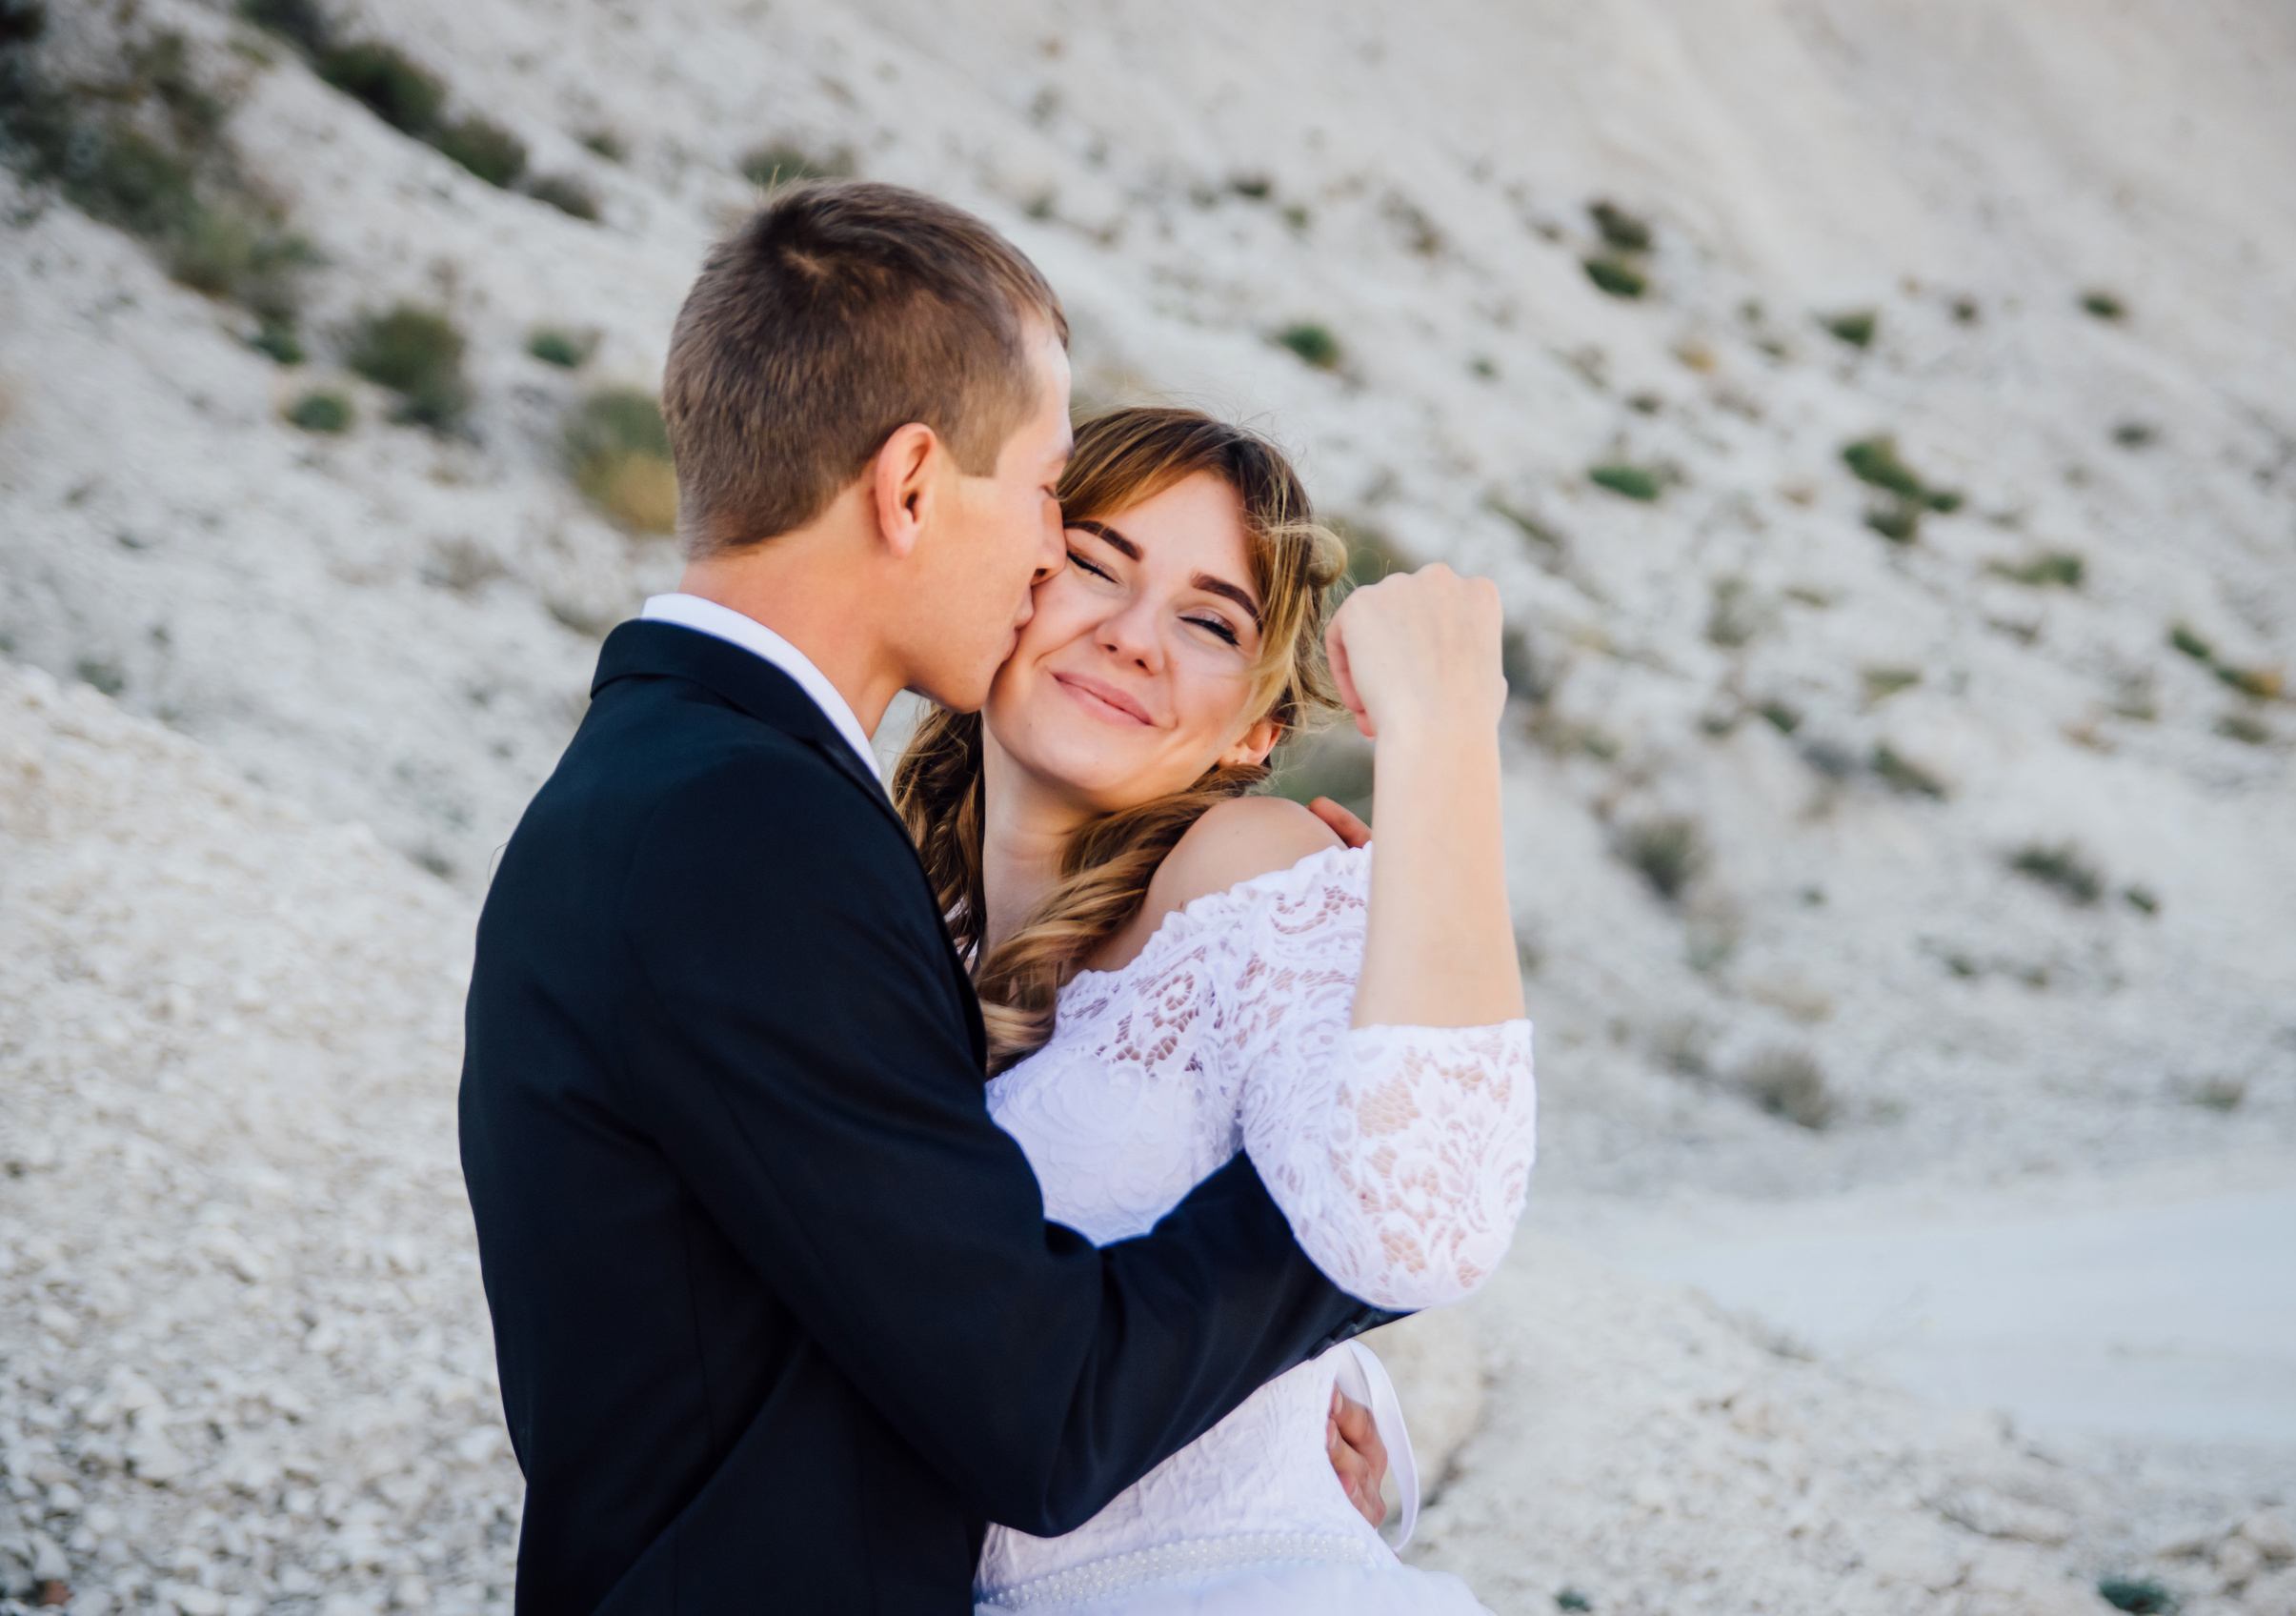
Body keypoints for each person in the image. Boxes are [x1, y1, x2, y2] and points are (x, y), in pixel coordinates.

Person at [457, 183, 1403, 1616]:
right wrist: (1365, 1214)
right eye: (1052, 504)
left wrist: (1316, 1422)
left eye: (1206, 617)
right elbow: (1034, 1402)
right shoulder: (750, 834)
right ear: (911, 484)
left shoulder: (691, 791)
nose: (1047, 560)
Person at [895, 407, 1533, 1615]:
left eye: (1208, 621)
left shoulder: (1242, 870)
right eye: (1095, 564)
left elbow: (1429, 1217)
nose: (1134, 638)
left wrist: (1443, 731)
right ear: (1008, 588)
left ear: (1255, 731)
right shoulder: (896, 925)